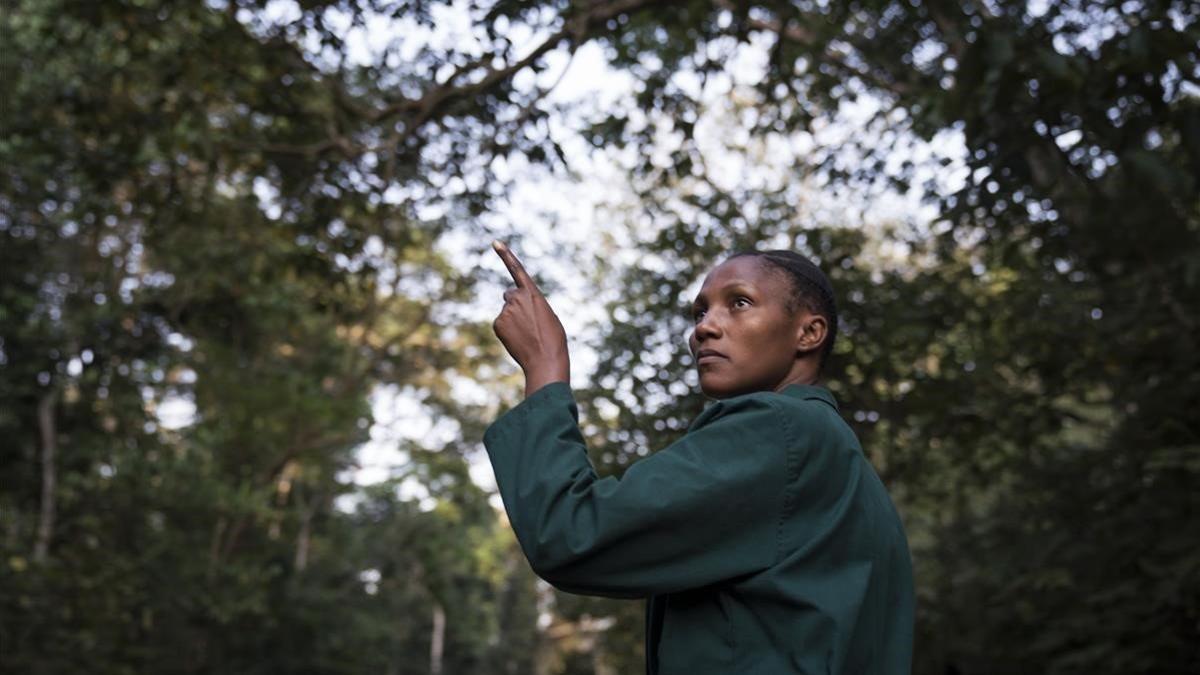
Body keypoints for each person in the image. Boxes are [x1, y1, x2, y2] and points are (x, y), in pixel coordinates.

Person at [483, 240, 914, 674]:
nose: (705, 327)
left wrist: (545, 366)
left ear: (808, 333)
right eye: (700, 312)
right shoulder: (837, 457)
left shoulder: (779, 429)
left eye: (739, 303)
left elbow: (571, 534)